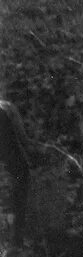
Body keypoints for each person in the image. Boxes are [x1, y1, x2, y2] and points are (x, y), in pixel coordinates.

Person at [0, 100, 31, 244]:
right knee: (19, 186)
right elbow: (23, 138)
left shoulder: (6, 108)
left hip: (8, 164)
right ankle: (16, 238)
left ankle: (14, 239)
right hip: (12, 164)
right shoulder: (7, 107)